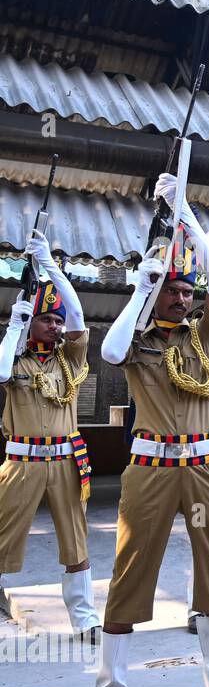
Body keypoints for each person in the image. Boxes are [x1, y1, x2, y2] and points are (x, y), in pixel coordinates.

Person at [92, 173, 209, 687]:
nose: (182, 297)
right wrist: (141, 287)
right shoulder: (137, 336)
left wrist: (186, 209)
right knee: (131, 575)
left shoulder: (207, 336)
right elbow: (108, 353)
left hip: (206, 466)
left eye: (185, 291)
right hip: (152, 469)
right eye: (171, 291)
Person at [0, 232, 97, 640]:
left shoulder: (68, 358)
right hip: (22, 461)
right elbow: (1, 373)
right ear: (31, 321)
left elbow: (77, 318)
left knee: (75, 541)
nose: (56, 326)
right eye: (47, 319)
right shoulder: (15, 355)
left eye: (56, 321)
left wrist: (52, 268)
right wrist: (14, 327)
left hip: (65, 460)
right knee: (3, 535)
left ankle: (85, 617)